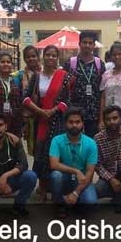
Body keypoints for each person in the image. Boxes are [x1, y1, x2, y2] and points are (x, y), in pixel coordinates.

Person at [22, 44, 74, 201]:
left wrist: (52, 111)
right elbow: (25, 98)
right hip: (40, 121)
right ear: (43, 57)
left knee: (55, 153)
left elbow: (68, 100)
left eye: (53, 55)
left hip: (57, 121)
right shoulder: (37, 77)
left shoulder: (64, 76)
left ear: (57, 58)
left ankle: (56, 186)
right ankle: (43, 187)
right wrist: (39, 111)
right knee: (40, 154)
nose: (50, 58)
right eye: (48, 54)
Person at [49, 107, 98, 217]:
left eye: (77, 122)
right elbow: (54, 164)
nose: (74, 125)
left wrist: (76, 193)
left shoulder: (91, 143)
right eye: (70, 122)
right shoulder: (57, 140)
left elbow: (90, 172)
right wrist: (76, 171)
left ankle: (72, 199)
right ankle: (59, 204)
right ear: (65, 124)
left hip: (82, 180)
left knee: (90, 202)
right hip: (64, 178)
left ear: (82, 123)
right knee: (56, 175)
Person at [62, 31, 104, 137]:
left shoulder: (99, 64)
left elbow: (103, 91)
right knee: (74, 140)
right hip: (75, 112)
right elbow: (63, 87)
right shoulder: (71, 63)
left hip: (94, 113)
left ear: (94, 45)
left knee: (92, 141)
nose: (87, 45)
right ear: (79, 44)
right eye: (84, 42)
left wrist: (101, 118)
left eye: (90, 43)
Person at [17, 45, 41, 156]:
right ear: (24, 59)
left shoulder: (46, 72)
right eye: (28, 57)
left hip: (45, 114)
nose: (31, 59)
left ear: (38, 57)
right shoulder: (20, 76)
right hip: (29, 116)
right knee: (33, 148)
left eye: (33, 56)